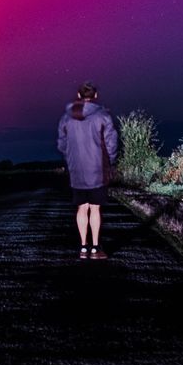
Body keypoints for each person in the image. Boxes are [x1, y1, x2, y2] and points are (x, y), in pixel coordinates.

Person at [57, 81, 118, 260]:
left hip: (76, 169)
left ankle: (83, 247)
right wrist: (110, 161)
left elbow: (62, 143)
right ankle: (95, 248)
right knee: (95, 208)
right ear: (95, 96)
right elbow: (111, 143)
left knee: (81, 208)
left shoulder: (66, 118)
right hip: (97, 169)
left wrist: (71, 159)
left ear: (78, 95)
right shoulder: (103, 116)